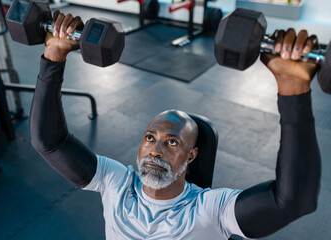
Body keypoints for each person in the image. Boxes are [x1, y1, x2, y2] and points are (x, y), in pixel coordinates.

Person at [30, 11, 321, 240]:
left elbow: (292, 202)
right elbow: (49, 142)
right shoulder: (116, 183)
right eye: (150, 138)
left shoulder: (210, 210)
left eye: (172, 142)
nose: (155, 151)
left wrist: (292, 88)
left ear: (191, 156)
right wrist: (53, 54)